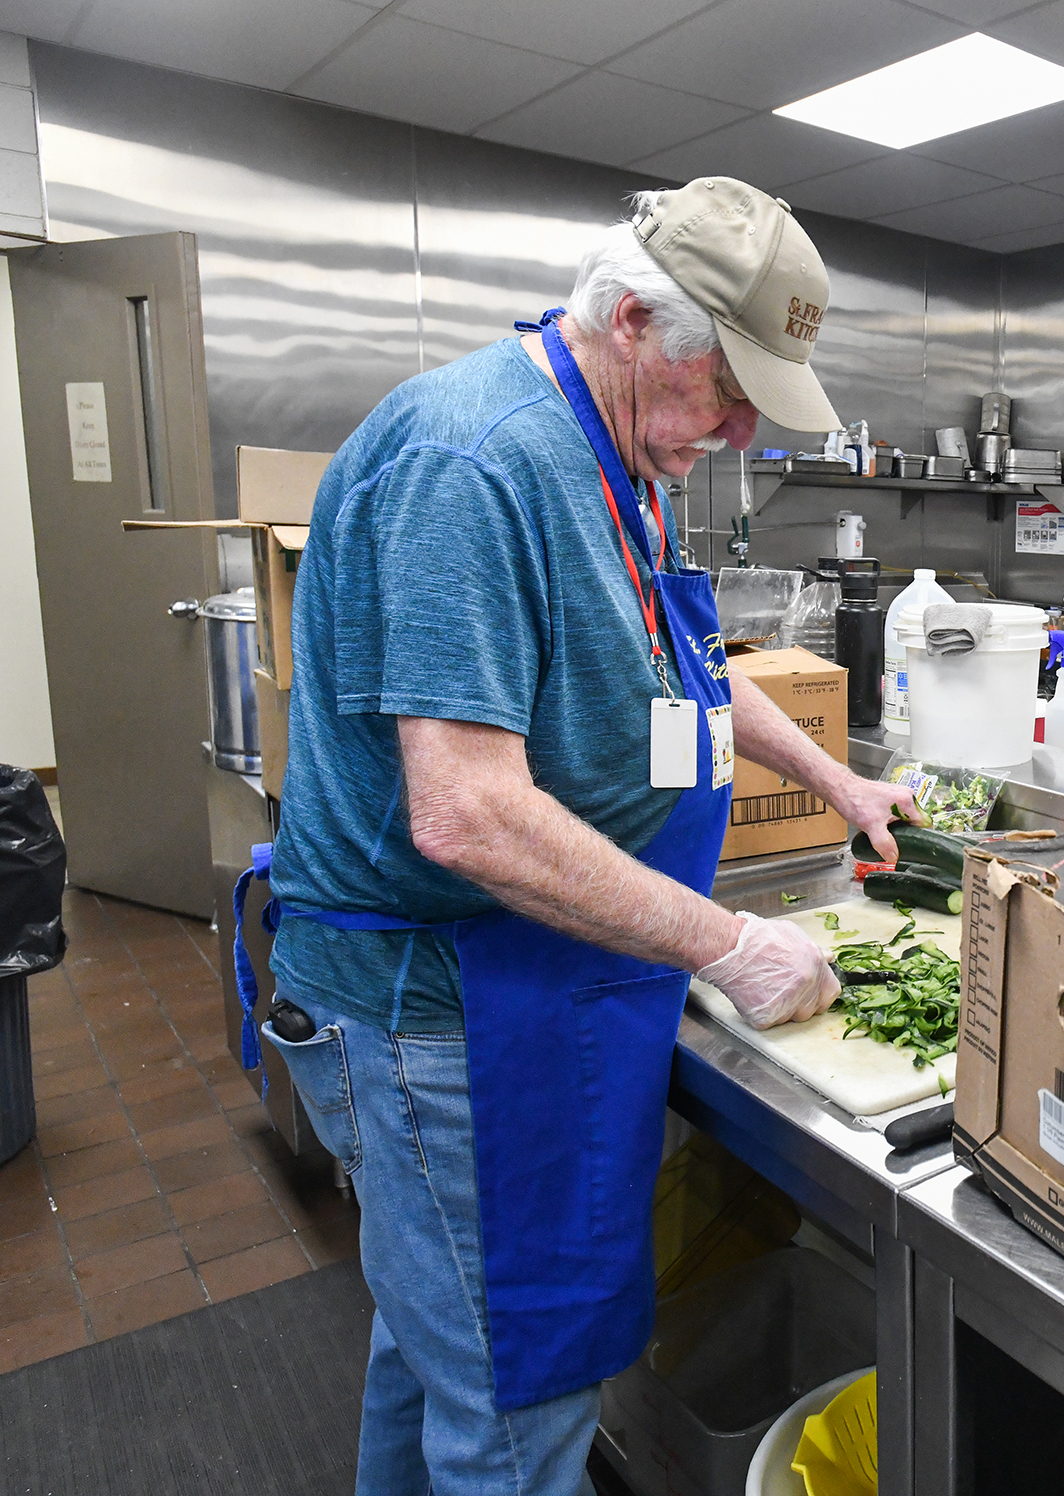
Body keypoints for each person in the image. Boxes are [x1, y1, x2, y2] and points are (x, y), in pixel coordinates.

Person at [252, 178, 917, 1495]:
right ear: (630, 320)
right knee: (517, 1405)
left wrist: (836, 783)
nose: (732, 431)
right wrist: (730, 945)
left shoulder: (624, 452)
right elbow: (467, 811)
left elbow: (686, 670)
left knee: (435, 1354)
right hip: (447, 1007)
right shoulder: (479, 463)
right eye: (725, 390)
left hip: (541, 981)